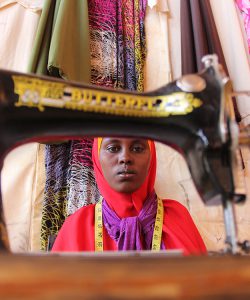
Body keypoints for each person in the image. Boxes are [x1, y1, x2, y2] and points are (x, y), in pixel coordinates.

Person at [52, 137, 207, 255]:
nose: (125, 158)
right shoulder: (77, 227)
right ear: (97, 158)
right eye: (113, 148)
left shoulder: (177, 217)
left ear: (152, 157)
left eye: (138, 148)